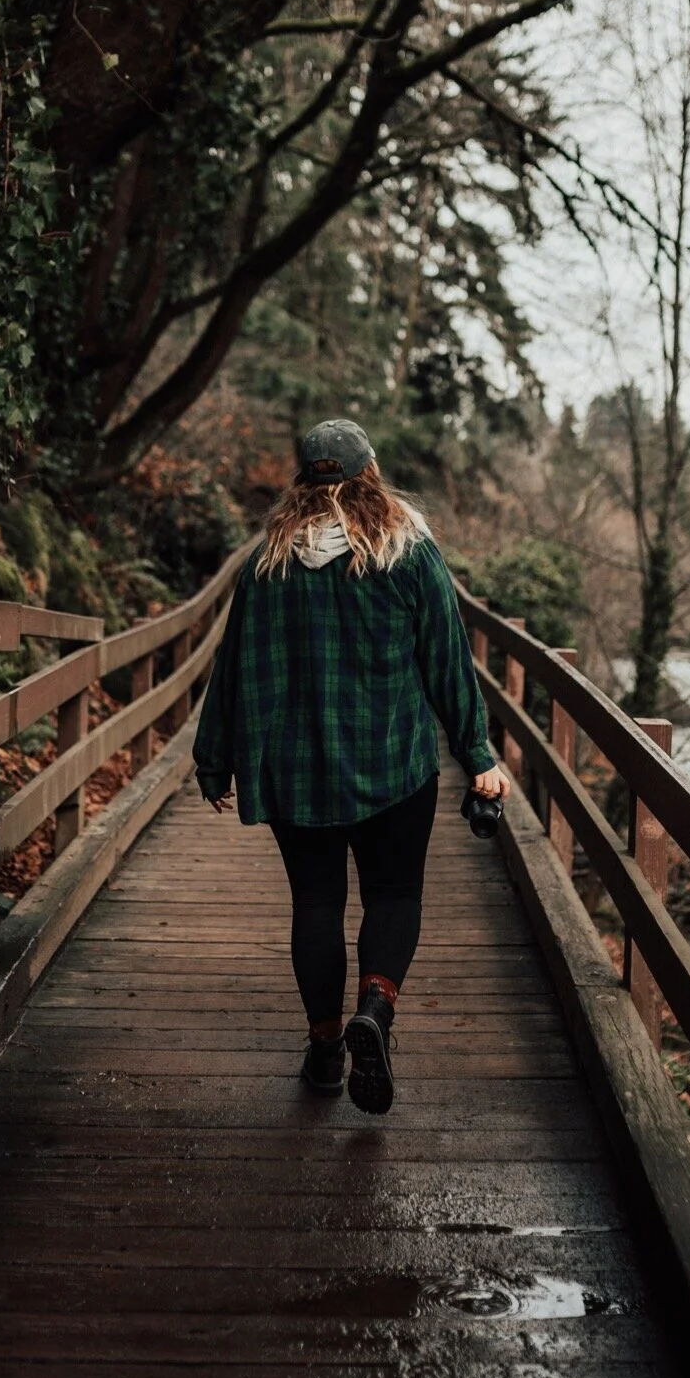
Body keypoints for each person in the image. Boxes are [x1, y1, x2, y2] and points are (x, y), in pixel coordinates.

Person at [192, 418, 511, 1114]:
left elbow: (233, 668)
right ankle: (376, 1007)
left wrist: (214, 761)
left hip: (297, 771)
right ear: (370, 472)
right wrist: (477, 753)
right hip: (393, 764)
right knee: (393, 895)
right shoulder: (408, 553)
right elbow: (447, 661)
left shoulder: (266, 564)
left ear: (302, 482)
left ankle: (324, 1047)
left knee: (316, 903)